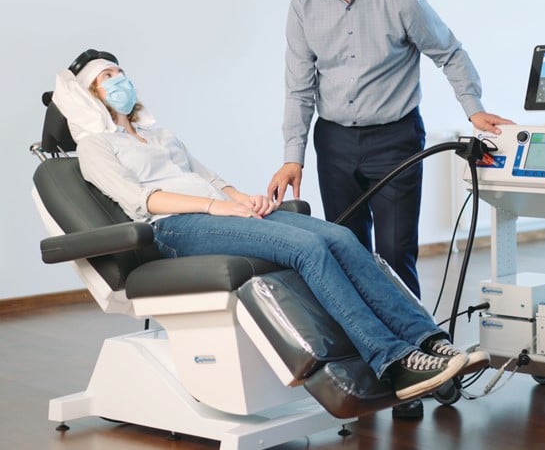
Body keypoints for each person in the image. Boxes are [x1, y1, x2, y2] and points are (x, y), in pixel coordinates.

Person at [51, 49, 490, 406]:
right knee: (307, 249)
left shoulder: (159, 134)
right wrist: (216, 208)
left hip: (217, 211)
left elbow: (209, 177)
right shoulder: (95, 146)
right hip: (176, 226)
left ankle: (427, 339)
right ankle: (392, 360)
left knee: (339, 236)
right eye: (107, 77)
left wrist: (244, 200)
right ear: (89, 95)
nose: (120, 80)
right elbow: (140, 200)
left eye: (120, 72)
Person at [268, 0, 513, 301]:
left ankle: (411, 333)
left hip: (395, 140)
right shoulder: (302, 6)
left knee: (396, 252)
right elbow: (299, 87)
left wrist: (473, 107)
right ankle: (362, 333)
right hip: (334, 144)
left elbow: (449, 52)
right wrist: (291, 157)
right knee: (346, 248)